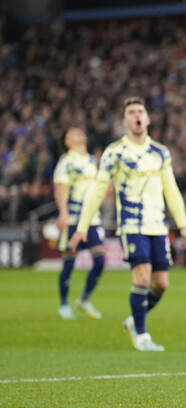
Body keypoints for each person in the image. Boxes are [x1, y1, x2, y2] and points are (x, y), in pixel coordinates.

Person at [70, 96, 186, 351]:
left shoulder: (160, 152)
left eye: (140, 111)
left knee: (161, 284)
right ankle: (142, 335)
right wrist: (82, 227)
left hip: (158, 225)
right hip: (131, 224)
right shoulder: (115, 153)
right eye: (131, 112)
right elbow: (98, 190)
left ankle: (133, 321)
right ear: (125, 120)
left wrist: (183, 226)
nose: (137, 115)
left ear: (147, 118)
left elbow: (171, 190)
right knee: (142, 276)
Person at [53, 127, 105, 320]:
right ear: (67, 142)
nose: (79, 133)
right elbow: (59, 189)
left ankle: (84, 299)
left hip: (92, 219)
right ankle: (64, 304)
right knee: (69, 262)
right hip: (73, 218)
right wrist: (63, 214)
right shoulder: (66, 162)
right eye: (73, 133)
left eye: (79, 131)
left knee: (100, 260)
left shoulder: (92, 161)